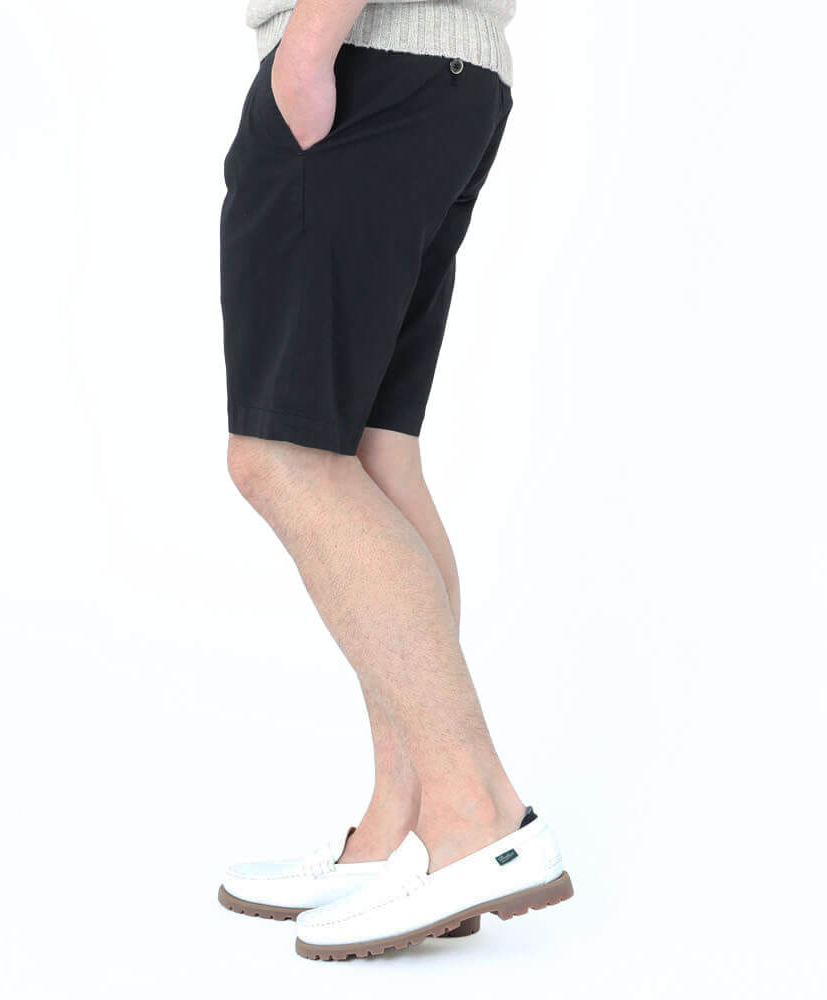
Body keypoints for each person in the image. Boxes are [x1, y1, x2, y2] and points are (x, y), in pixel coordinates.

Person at [218, 0, 572, 959]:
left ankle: (476, 812)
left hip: (365, 62)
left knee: (282, 457)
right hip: (445, 76)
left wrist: (308, 47)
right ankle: (403, 827)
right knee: (374, 457)